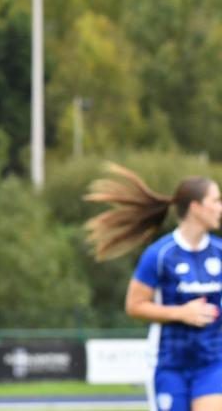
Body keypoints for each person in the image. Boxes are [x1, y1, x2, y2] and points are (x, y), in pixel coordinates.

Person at [85, 163, 222, 411]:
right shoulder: (159, 255)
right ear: (196, 207)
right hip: (169, 364)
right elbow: (134, 306)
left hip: (212, 362)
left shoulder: (219, 252)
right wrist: (181, 313)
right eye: (216, 200)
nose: (220, 208)